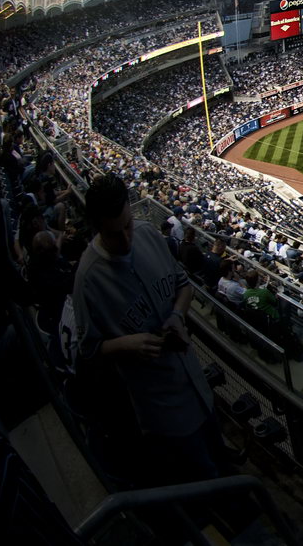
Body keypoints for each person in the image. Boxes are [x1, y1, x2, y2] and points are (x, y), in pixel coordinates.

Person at [68, 173, 220, 487]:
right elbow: (86, 352)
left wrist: (178, 314)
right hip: (159, 406)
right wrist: (126, 344)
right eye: (113, 233)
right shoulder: (88, 279)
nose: (125, 239)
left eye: (127, 226)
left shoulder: (148, 234)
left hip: (195, 379)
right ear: (97, 227)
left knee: (216, 452)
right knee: (202, 476)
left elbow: (183, 285)